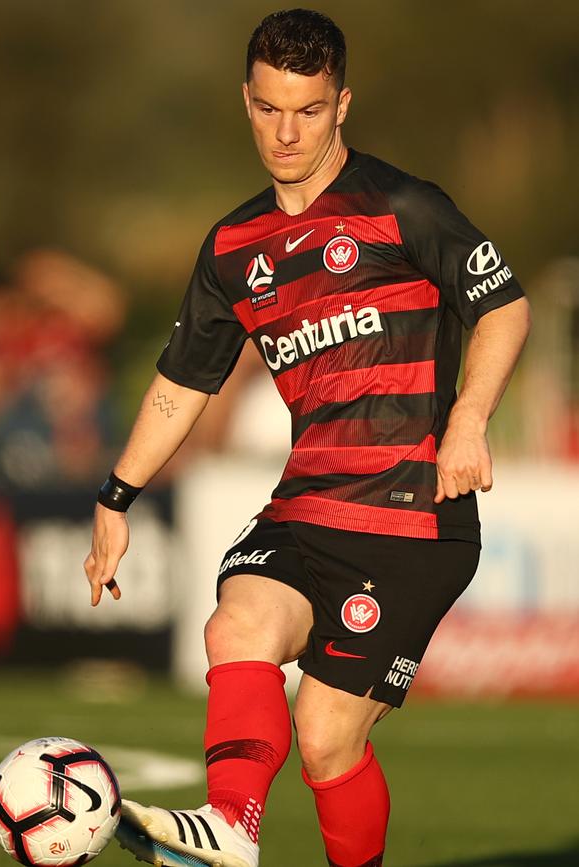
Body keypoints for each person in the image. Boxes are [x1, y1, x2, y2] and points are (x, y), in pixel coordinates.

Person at [84, 9, 531, 867]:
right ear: (245, 101)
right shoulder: (232, 247)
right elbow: (184, 381)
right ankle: (230, 827)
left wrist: (469, 419)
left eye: (309, 111)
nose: (286, 133)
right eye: (268, 108)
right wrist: (117, 494)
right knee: (234, 627)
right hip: (306, 504)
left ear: (342, 105)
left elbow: (505, 306)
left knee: (326, 737)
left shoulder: (404, 206)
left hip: (413, 515)